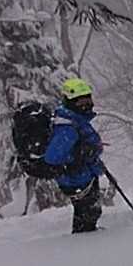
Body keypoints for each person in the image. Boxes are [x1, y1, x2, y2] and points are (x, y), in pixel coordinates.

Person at [44, 77, 106, 234]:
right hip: (77, 179)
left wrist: (89, 152)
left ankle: (87, 238)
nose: (86, 104)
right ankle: (85, 241)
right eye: (80, 101)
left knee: (89, 213)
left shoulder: (75, 120)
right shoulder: (67, 126)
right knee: (87, 214)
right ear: (70, 102)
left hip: (84, 176)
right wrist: (81, 153)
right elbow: (53, 157)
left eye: (88, 99)